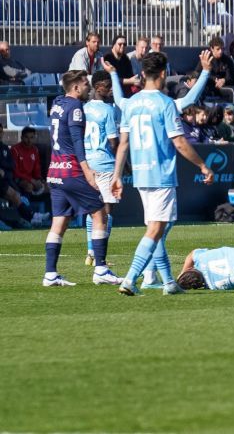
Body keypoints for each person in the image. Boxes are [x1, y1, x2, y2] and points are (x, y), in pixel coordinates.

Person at [113, 53, 214, 296]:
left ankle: (168, 282)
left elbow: (123, 143)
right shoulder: (165, 104)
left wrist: (118, 174)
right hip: (160, 174)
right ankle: (130, 279)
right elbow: (179, 142)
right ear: (162, 74)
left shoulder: (131, 103)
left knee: (156, 228)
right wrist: (202, 165)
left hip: (140, 175)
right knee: (157, 229)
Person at [42, 71, 115, 287]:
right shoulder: (75, 108)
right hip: (71, 171)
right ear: (75, 87)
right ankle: (101, 268)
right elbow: (76, 141)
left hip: (54, 171)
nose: (88, 87)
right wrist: (87, 171)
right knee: (100, 213)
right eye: (84, 83)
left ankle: (50, 274)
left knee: (59, 222)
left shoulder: (57, 103)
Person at [80, 70, 120, 268]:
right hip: (105, 164)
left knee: (93, 212)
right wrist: (124, 164)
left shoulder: (84, 109)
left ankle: (90, 252)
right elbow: (113, 142)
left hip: (88, 165)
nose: (110, 88)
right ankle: (99, 255)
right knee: (107, 211)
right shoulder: (108, 110)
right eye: (107, 85)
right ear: (97, 87)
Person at [11, 126, 46, 199]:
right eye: (26, 137)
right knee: (29, 186)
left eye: (31, 137)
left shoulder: (35, 150)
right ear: (21, 137)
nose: (29, 140)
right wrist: (31, 180)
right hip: (17, 178)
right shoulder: (15, 149)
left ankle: (41, 210)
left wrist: (38, 179)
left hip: (31, 178)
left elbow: (37, 167)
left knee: (48, 186)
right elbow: (15, 171)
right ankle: (26, 208)